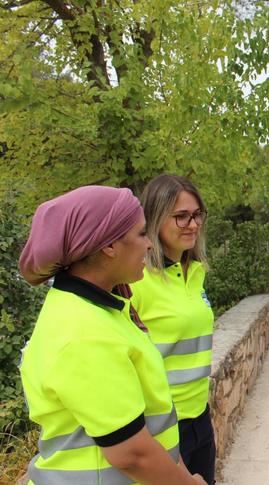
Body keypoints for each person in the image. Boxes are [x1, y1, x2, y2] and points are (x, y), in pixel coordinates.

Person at [18, 185, 205, 484]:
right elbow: (131, 453)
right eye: (142, 234)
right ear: (109, 246)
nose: (148, 245)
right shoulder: (82, 331)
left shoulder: (103, 309)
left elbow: (150, 421)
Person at [130, 174, 216, 484]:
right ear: (154, 217)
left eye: (197, 215)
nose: (192, 224)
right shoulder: (136, 280)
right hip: (161, 426)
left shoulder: (195, 272)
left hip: (200, 417)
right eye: (181, 216)